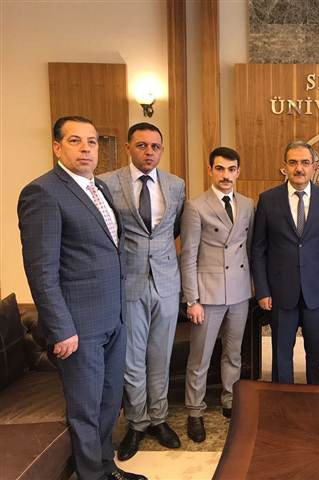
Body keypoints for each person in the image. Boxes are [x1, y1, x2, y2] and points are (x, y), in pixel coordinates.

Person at [18, 116, 146, 480]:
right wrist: (61, 329)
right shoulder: (43, 193)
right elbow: (42, 271)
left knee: (109, 400)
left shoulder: (99, 188)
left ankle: (105, 467)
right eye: (75, 141)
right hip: (78, 326)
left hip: (113, 318)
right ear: (57, 147)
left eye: (92, 141)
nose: (86, 148)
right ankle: (91, 476)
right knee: (85, 408)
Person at [99, 123, 185, 460]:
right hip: (129, 281)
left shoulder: (176, 185)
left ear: (161, 150)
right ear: (128, 147)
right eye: (142, 145)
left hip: (166, 281)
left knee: (160, 355)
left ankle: (159, 419)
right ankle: (137, 423)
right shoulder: (107, 183)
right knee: (132, 359)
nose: (149, 152)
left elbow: (174, 228)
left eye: (155, 146)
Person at [252, 141, 319, 384]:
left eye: (305, 163)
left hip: (318, 292)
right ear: (284, 166)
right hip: (280, 291)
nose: (299, 168)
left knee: (318, 355)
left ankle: (316, 400)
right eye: (293, 163)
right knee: (281, 355)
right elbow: (258, 249)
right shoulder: (268, 200)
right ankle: (284, 402)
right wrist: (262, 290)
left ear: (314, 167)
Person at [181, 147, 254, 442]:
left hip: (239, 291)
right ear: (210, 170)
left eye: (231, 169)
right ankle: (195, 411)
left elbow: (249, 248)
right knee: (200, 357)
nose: (226, 175)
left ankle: (229, 401)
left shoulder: (248, 204)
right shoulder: (195, 206)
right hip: (207, 294)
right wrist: (192, 300)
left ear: (238, 172)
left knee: (233, 353)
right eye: (220, 169)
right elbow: (188, 255)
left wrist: (253, 287)